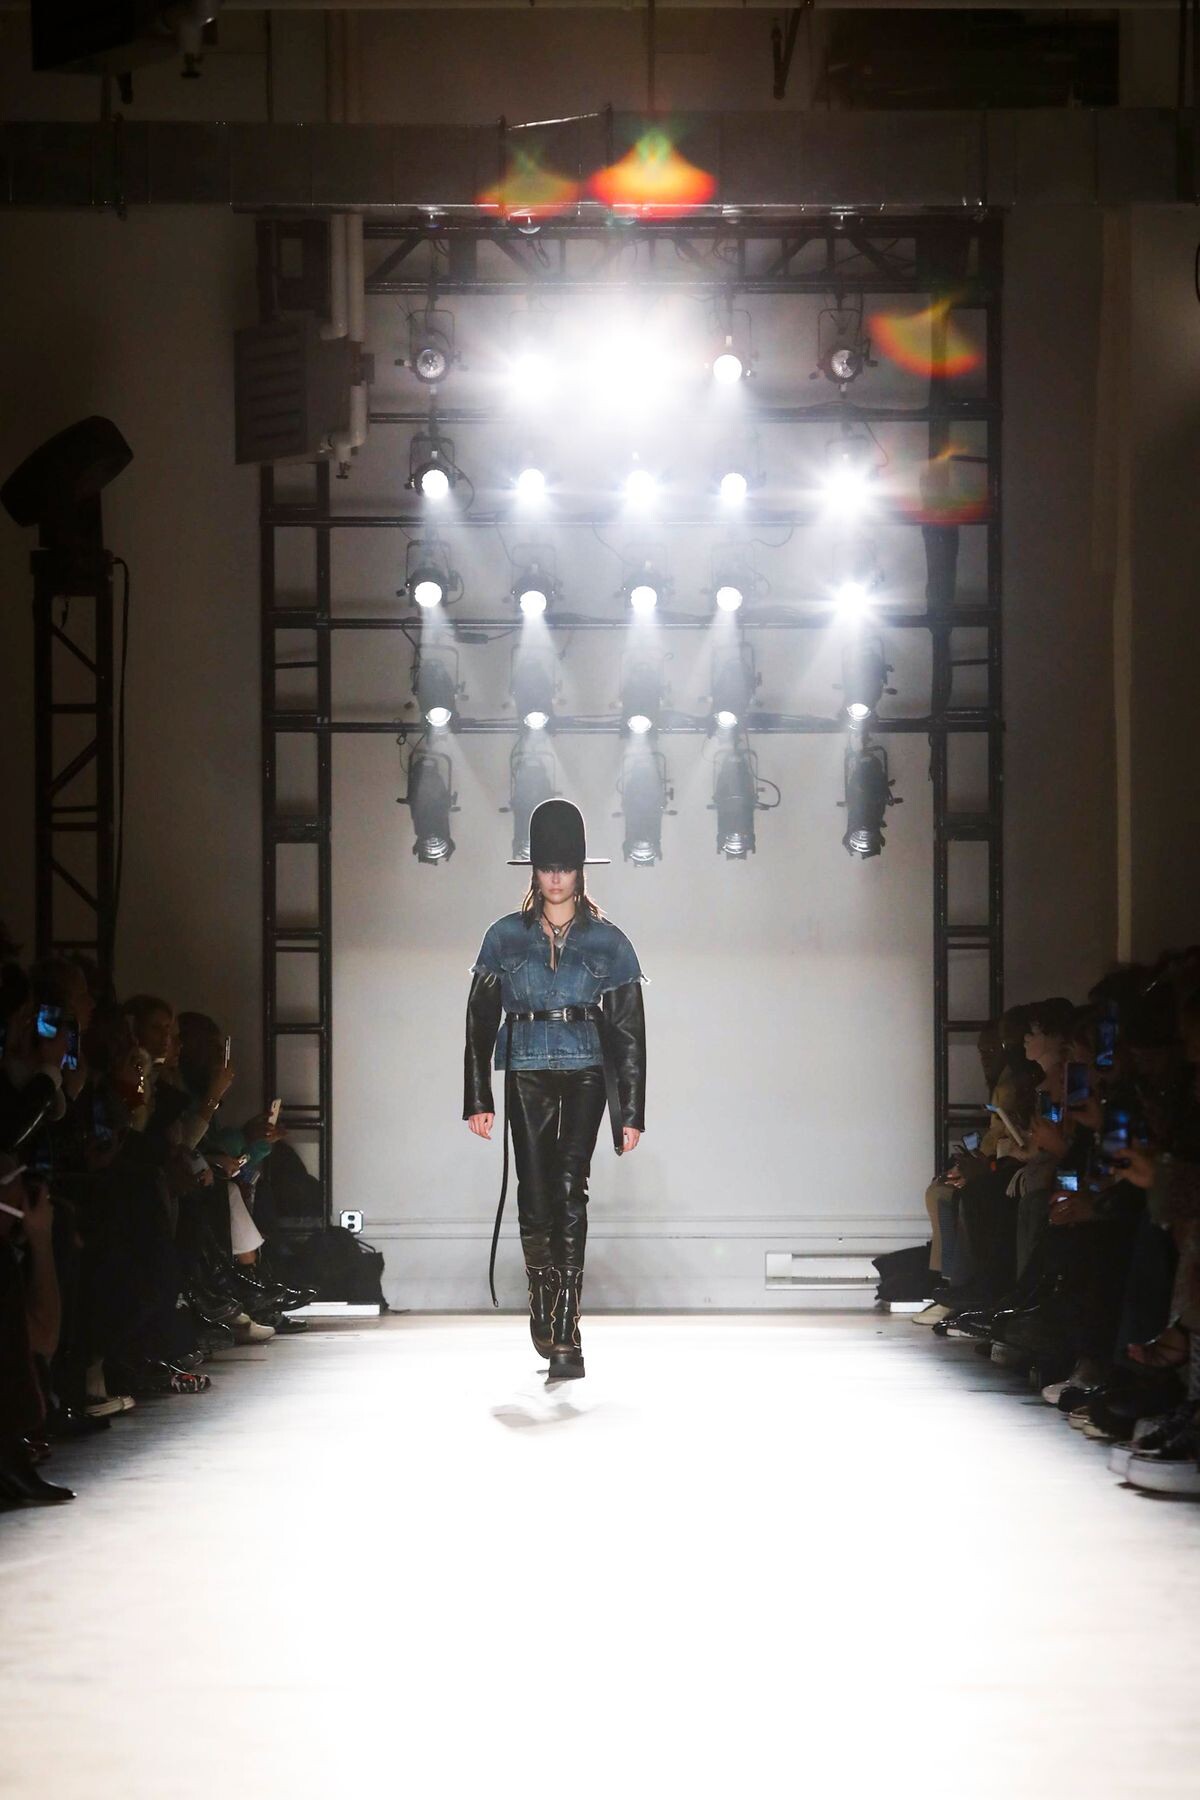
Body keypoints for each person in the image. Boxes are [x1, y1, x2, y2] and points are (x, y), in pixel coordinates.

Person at [463, 799, 647, 1381]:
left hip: (586, 1069)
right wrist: (478, 1097)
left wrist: (631, 1111)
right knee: (535, 1190)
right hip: (525, 1069)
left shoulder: (609, 942)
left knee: (571, 1189)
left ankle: (566, 1326)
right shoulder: (503, 937)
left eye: (566, 866)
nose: (557, 877)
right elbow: (478, 1022)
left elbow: (629, 1031)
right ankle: (541, 1296)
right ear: (534, 870)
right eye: (548, 866)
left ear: (581, 870)